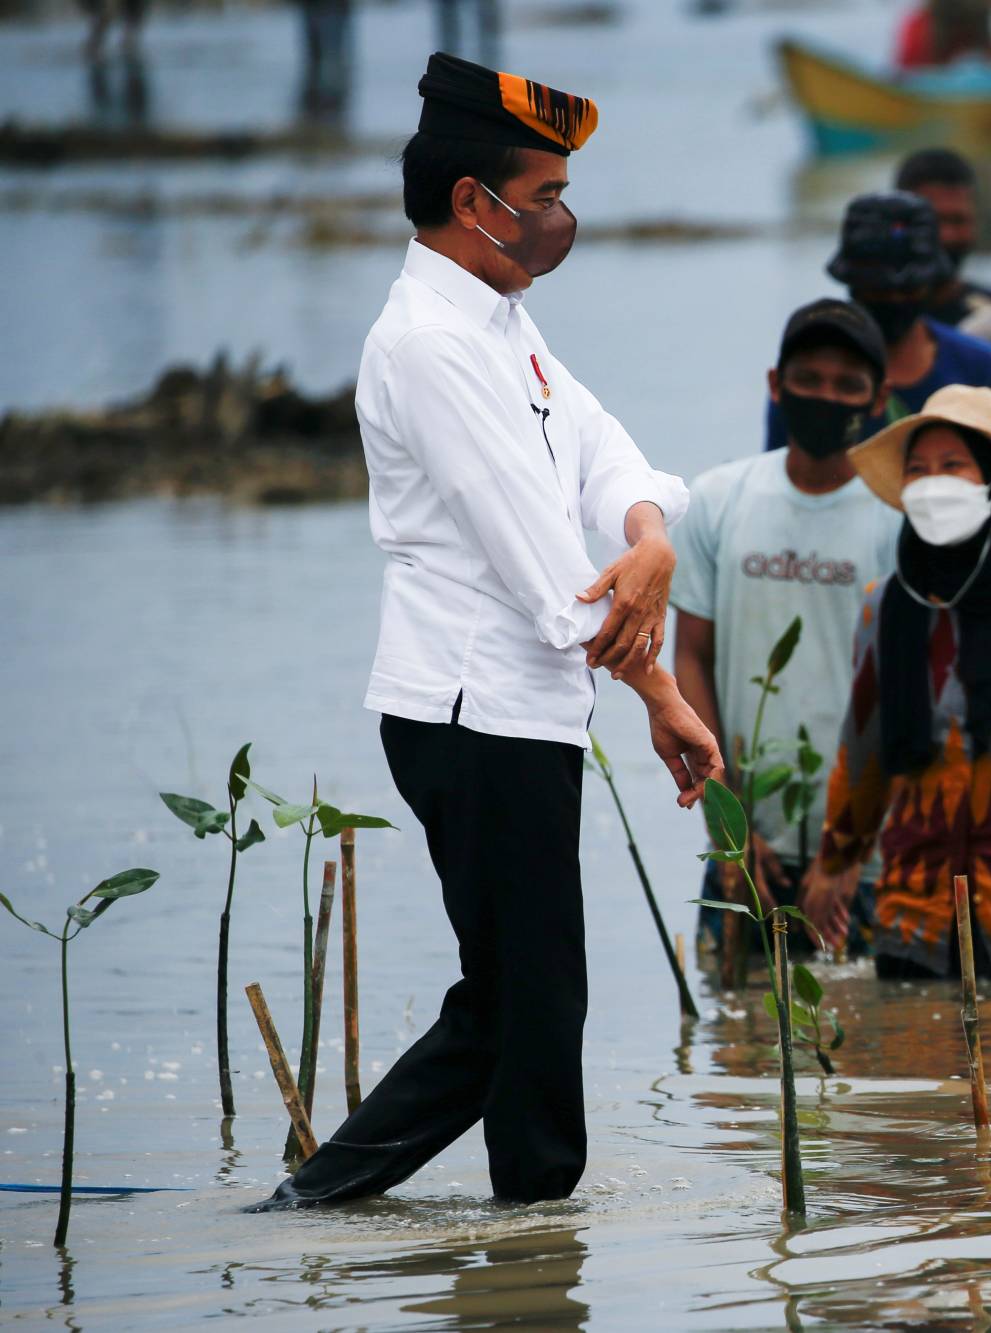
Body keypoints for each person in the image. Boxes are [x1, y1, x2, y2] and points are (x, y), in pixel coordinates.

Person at [253, 53, 723, 1210]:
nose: (562, 217)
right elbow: (544, 574)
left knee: (517, 995)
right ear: (475, 201)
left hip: (522, 706)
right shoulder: (428, 343)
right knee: (526, 999)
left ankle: (488, 1232)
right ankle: (482, 1219)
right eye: (547, 195)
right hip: (471, 708)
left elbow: (603, 448)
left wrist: (651, 531)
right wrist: (665, 699)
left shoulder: (500, 320)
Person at [800, 386, 991, 978]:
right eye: (917, 470)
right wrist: (834, 863)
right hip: (917, 920)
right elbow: (862, 752)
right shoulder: (887, 606)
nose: (933, 483)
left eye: (952, 466)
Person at [676, 300, 906, 945]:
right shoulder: (720, 499)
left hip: (867, 853)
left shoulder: (900, 518)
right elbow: (692, 658)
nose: (825, 396)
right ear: (776, 385)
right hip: (744, 845)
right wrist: (726, 822)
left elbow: (904, 690)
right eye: (809, 379)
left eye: (847, 385)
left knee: (866, 1039)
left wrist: (848, 851)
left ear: (880, 398)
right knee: (738, 1036)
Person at [762, 192, 991, 451]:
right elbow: (780, 472)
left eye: (908, 289)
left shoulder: (976, 365)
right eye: (878, 289)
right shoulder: (809, 375)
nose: (893, 299)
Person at [893, 148, 991, 335]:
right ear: (899, 224)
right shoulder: (860, 326)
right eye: (933, 222)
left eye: (958, 220)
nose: (947, 235)